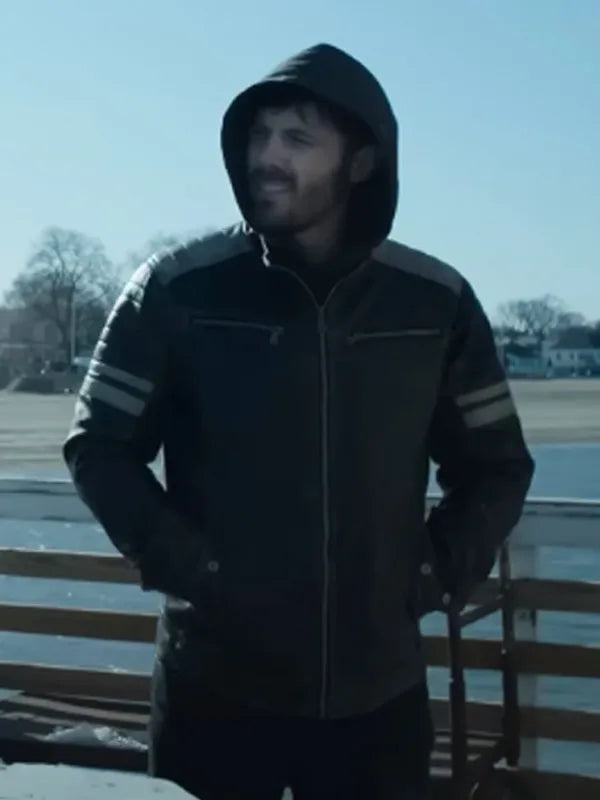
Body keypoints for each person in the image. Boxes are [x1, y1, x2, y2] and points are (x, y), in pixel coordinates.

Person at [64, 43, 534, 799]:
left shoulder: (433, 302)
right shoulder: (177, 289)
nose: (267, 158)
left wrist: (429, 572)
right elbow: (98, 445)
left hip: (378, 702)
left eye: (297, 139)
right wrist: (189, 568)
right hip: (212, 691)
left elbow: (498, 466)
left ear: (360, 162)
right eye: (258, 136)